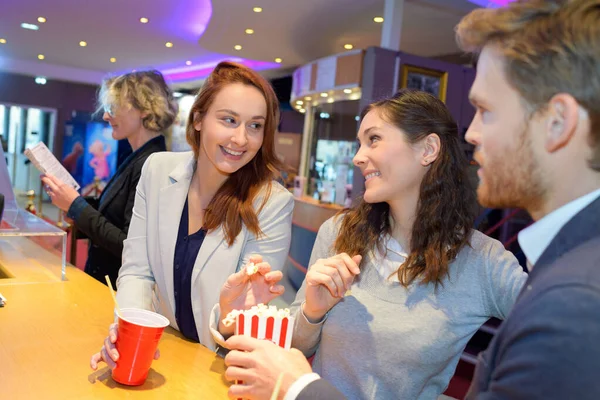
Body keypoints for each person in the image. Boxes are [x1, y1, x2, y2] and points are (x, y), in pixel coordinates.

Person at [225, 89, 527, 399]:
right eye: (360, 143)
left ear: (428, 149)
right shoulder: (339, 232)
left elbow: (564, 341)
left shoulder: (483, 261)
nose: (357, 157)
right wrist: (312, 312)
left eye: (374, 139)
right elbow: (294, 353)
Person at [89, 61, 294, 370]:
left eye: (255, 126)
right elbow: (137, 271)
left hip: (218, 365)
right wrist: (130, 330)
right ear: (198, 119)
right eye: (229, 120)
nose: (241, 138)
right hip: (162, 348)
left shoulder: (272, 203)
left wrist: (229, 318)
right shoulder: (157, 170)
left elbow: (244, 313)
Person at [456, 0, 600, 398]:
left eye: (486, 110)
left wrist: (299, 387)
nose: (471, 133)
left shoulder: (576, 307)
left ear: (557, 123)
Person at [42, 70, 176, 287]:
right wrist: (74, 204)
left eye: (113, 108)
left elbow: (129, 245)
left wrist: (76, 206)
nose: (106, 116)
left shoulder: (151, 163)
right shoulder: (137, 157)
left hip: (117, 287)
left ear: (143, 109)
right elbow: (114, 214)